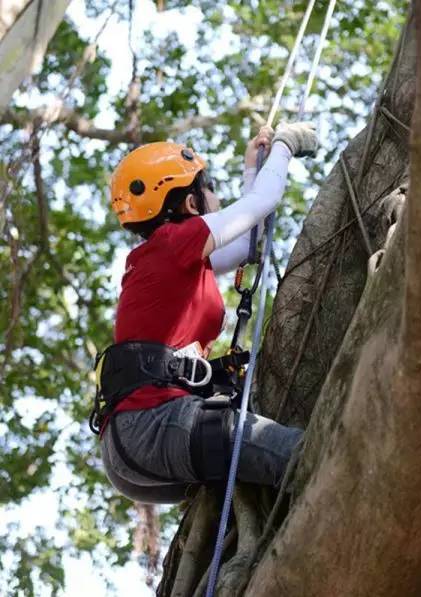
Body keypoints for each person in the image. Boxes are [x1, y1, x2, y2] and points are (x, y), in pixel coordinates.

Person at [97, 121, 318, 503]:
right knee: (311, 457)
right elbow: (258, 205)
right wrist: (284, 145)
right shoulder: (173, 242)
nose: (215, 195)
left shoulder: (173, 259)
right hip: (155, 426)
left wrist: (254, 167)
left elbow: (250, 242)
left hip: (137, 443)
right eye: (209, 186)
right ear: (190, 203)